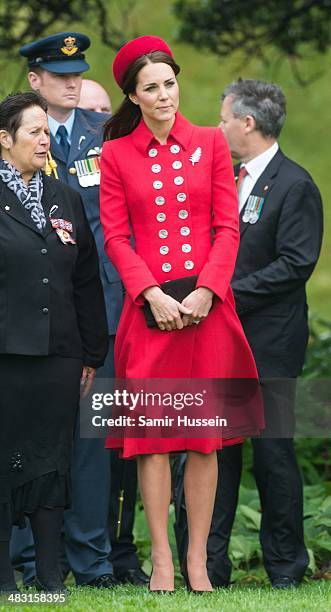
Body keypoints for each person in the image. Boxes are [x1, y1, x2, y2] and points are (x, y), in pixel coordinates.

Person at [100, 36, 263, 593]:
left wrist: (207, 291)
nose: (165, 95)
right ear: (133, 95)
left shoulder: (212, 143)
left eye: (170, 83)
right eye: (152, 87)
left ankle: (197, 562)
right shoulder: (117, 154)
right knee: (153, 439)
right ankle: (162, 562)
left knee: (202, 437)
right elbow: (117, 238)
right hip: (151, 313)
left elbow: (227, 226)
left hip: (206, 311)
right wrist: (151, 293)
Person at [174, 79, 323, 589]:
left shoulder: (295, 185)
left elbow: (295, 264)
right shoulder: (221, 179)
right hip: (216, 342)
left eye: (222, 119)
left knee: (273, 454)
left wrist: (221, 291)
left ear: (248, 123)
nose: (216, 128)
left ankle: (284, 568)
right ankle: (208, 567)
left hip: (269, 347)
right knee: (213, 451)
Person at [12, 31, 123, 589]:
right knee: (27, 438)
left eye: (77, 73)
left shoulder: (104, 135)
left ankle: (92, 560)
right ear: (36, 80)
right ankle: (29, 560)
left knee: (89, 439)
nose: (73, 82)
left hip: (93, 311)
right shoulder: (17, 139)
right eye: (60, 75)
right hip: (26, 320)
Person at [0, 91, 108, 594]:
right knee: (4, 460)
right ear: (5, 140)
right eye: (34, 133)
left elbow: (86, 276)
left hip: (59, 355)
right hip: (6, 354)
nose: (45, 141)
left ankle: (48, 577)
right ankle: (4, 579)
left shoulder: (61, 194)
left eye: (47, 132)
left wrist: (91, 352)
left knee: (50, 463)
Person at [78, 78, 149, 586]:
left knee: (117, 449)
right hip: (74, 324)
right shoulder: (60, 157)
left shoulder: (119, 158)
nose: (100, 122)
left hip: (126, 317)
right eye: (90, 112)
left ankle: (116, 551)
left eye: (105, 111)